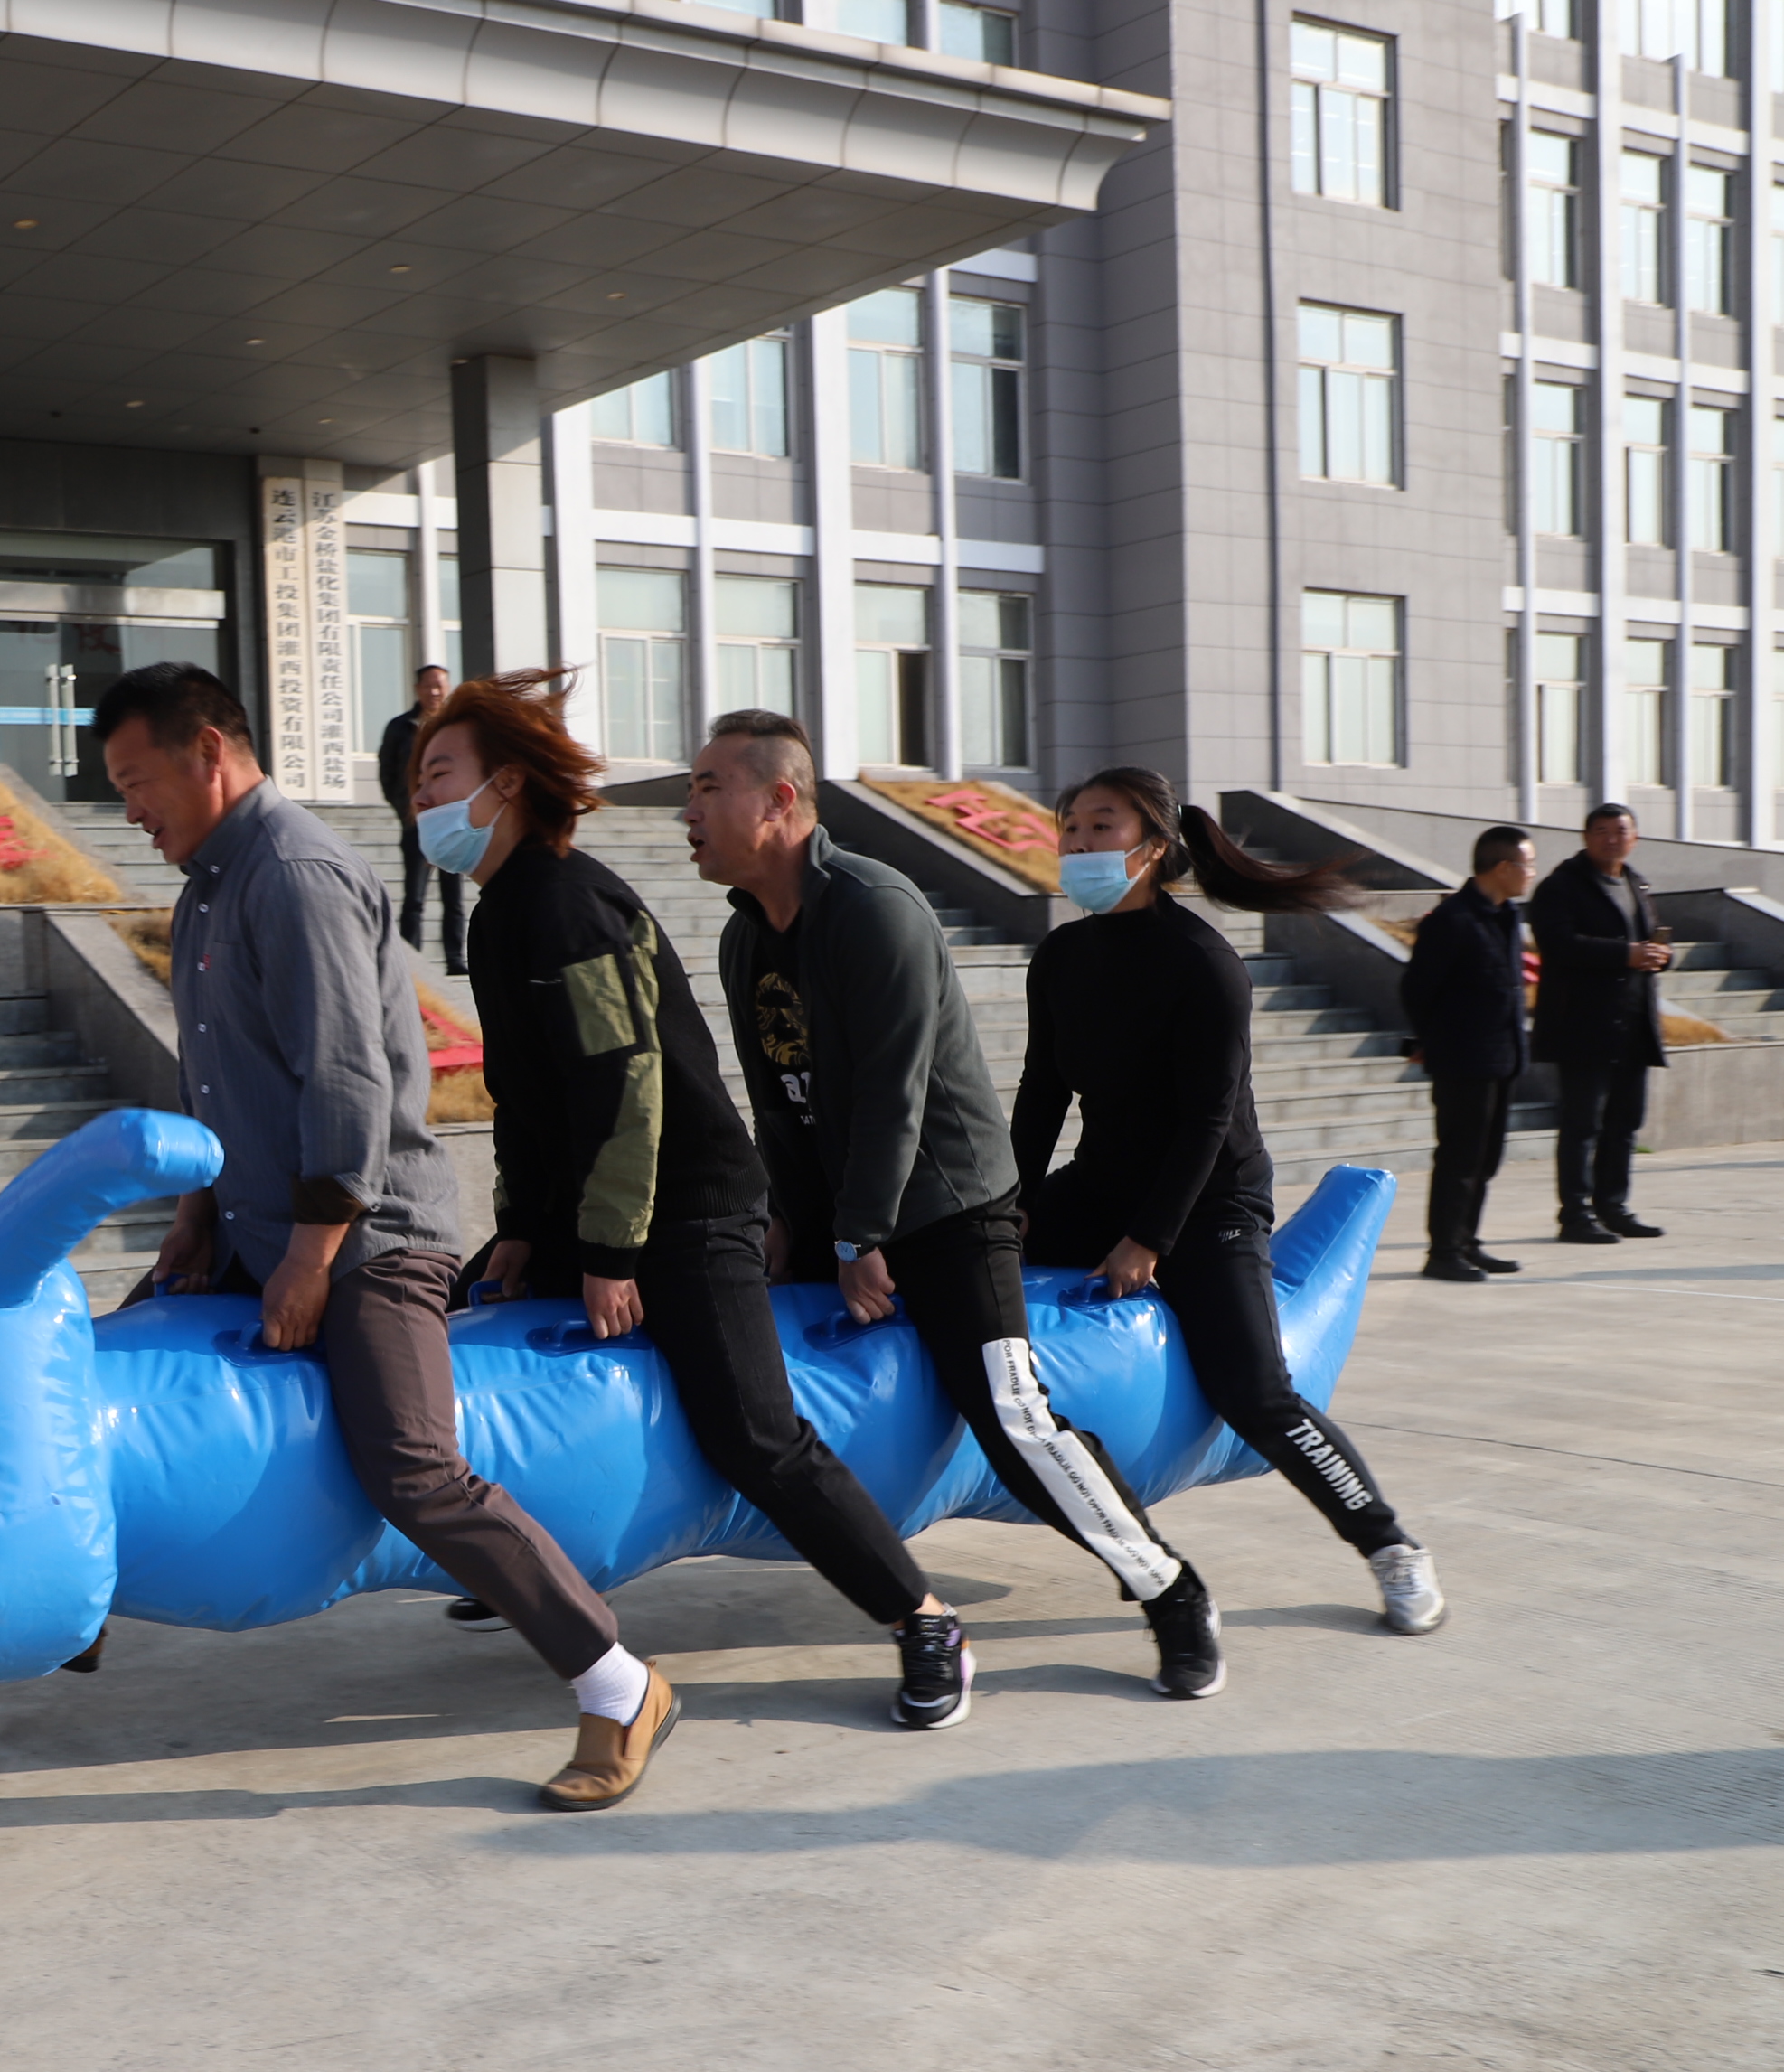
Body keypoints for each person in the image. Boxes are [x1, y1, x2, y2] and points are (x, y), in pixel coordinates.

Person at [101, 661, 680, 1809]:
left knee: (415, 1469)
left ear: (207, 753)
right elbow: (210, 1075)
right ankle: (64, 1611)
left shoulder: (294, 872)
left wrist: (309, 1262)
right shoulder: (206, 887)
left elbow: (347, 1086)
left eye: (133, 780)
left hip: (368, 1234)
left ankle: (618, 1685)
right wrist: (194, 1217)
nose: (128, 810)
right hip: (253, 1222)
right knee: (107, 1362)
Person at [409, 669, 981, 1716]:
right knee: (479, 1346)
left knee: (752, 1434)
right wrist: (521, 1229)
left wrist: (607, 1252)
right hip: (596, 1208)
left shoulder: (568, 904)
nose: (418, 795)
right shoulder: (499, 914)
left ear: (505, 782)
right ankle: (535, 1564)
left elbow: (622, 1087)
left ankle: (922, 1617)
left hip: (688, 1207)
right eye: (413, 777)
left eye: (437, 771)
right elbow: (525, 1101)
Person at [690, 708, 1225, 1717]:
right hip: (841, 1213)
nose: (689, 810)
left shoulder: (873, 909)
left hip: (946, 1208)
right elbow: (777, 1101)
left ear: (779, 801)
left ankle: (1166, 1585)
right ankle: (916, 1614)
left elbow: (891, 1095)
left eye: (708, 787)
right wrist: (786, 1220)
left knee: (1012, 1418)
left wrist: (858, 1235)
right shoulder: (741, 936)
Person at [1017, 767, 1446, 1639]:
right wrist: (1013, 1204)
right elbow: (1040, 1093)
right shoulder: (1062, 955)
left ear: (1154, 846)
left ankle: (1390, 1545)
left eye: (1101, 825)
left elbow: (1207, 1120)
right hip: (1099, 1184)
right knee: (957, 1263)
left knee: (1257, 1396)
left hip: (1209, 1201)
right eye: (1070, 827)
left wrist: (1148, 1239)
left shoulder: (1203, 963)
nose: (1078, 843)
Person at [1529, 802, 1675, 1244]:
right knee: (1582, 1124)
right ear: (1585, 837)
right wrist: (1624, 954)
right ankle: (1575, 1214)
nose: (1612, 839)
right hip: (1583, 1023)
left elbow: (1646, 940)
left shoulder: (1635, 882)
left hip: (1633, 1021)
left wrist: (1660, 956)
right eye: (1602, 831)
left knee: (1625, 1123)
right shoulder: (1561, 886)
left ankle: (1614, 1207)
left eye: (1621, 831)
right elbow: (1558, 944)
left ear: (1635, 838)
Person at [1399, 825, 1537, 1283]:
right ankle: (1443, 1251)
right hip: (1463, 1059)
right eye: (1528, 865)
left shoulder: (1507, 915)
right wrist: (1433, 1041)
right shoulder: (1452, 919)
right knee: (1459, 1158)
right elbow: (1417, 989)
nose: (1532, 873)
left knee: (1486, 1159)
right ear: (1502, 867)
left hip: (1503, 1056)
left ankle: (1466, 1241)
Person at [376, 662, 465, 976]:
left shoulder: (457, 728)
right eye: (428, 685)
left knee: (453, 897)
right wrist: (407, 810)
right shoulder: (400, 728)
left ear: (448, 688)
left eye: (440, 685)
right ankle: (410, 959)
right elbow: (387, 774)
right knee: (414, 896)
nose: (435, 691)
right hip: (416, 822)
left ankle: (455, 958)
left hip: (452, 822)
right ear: (417, 689)